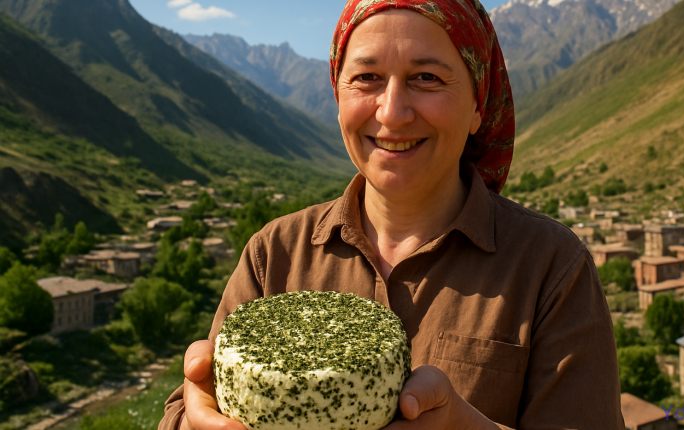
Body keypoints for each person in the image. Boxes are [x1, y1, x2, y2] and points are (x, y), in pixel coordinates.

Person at [158, 0, 624, 429]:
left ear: (478, 105)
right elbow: (186, 410)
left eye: (427, 78)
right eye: (367, 78)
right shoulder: (274, 254)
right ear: (338, 96)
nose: (393, 111)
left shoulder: (552, 269)